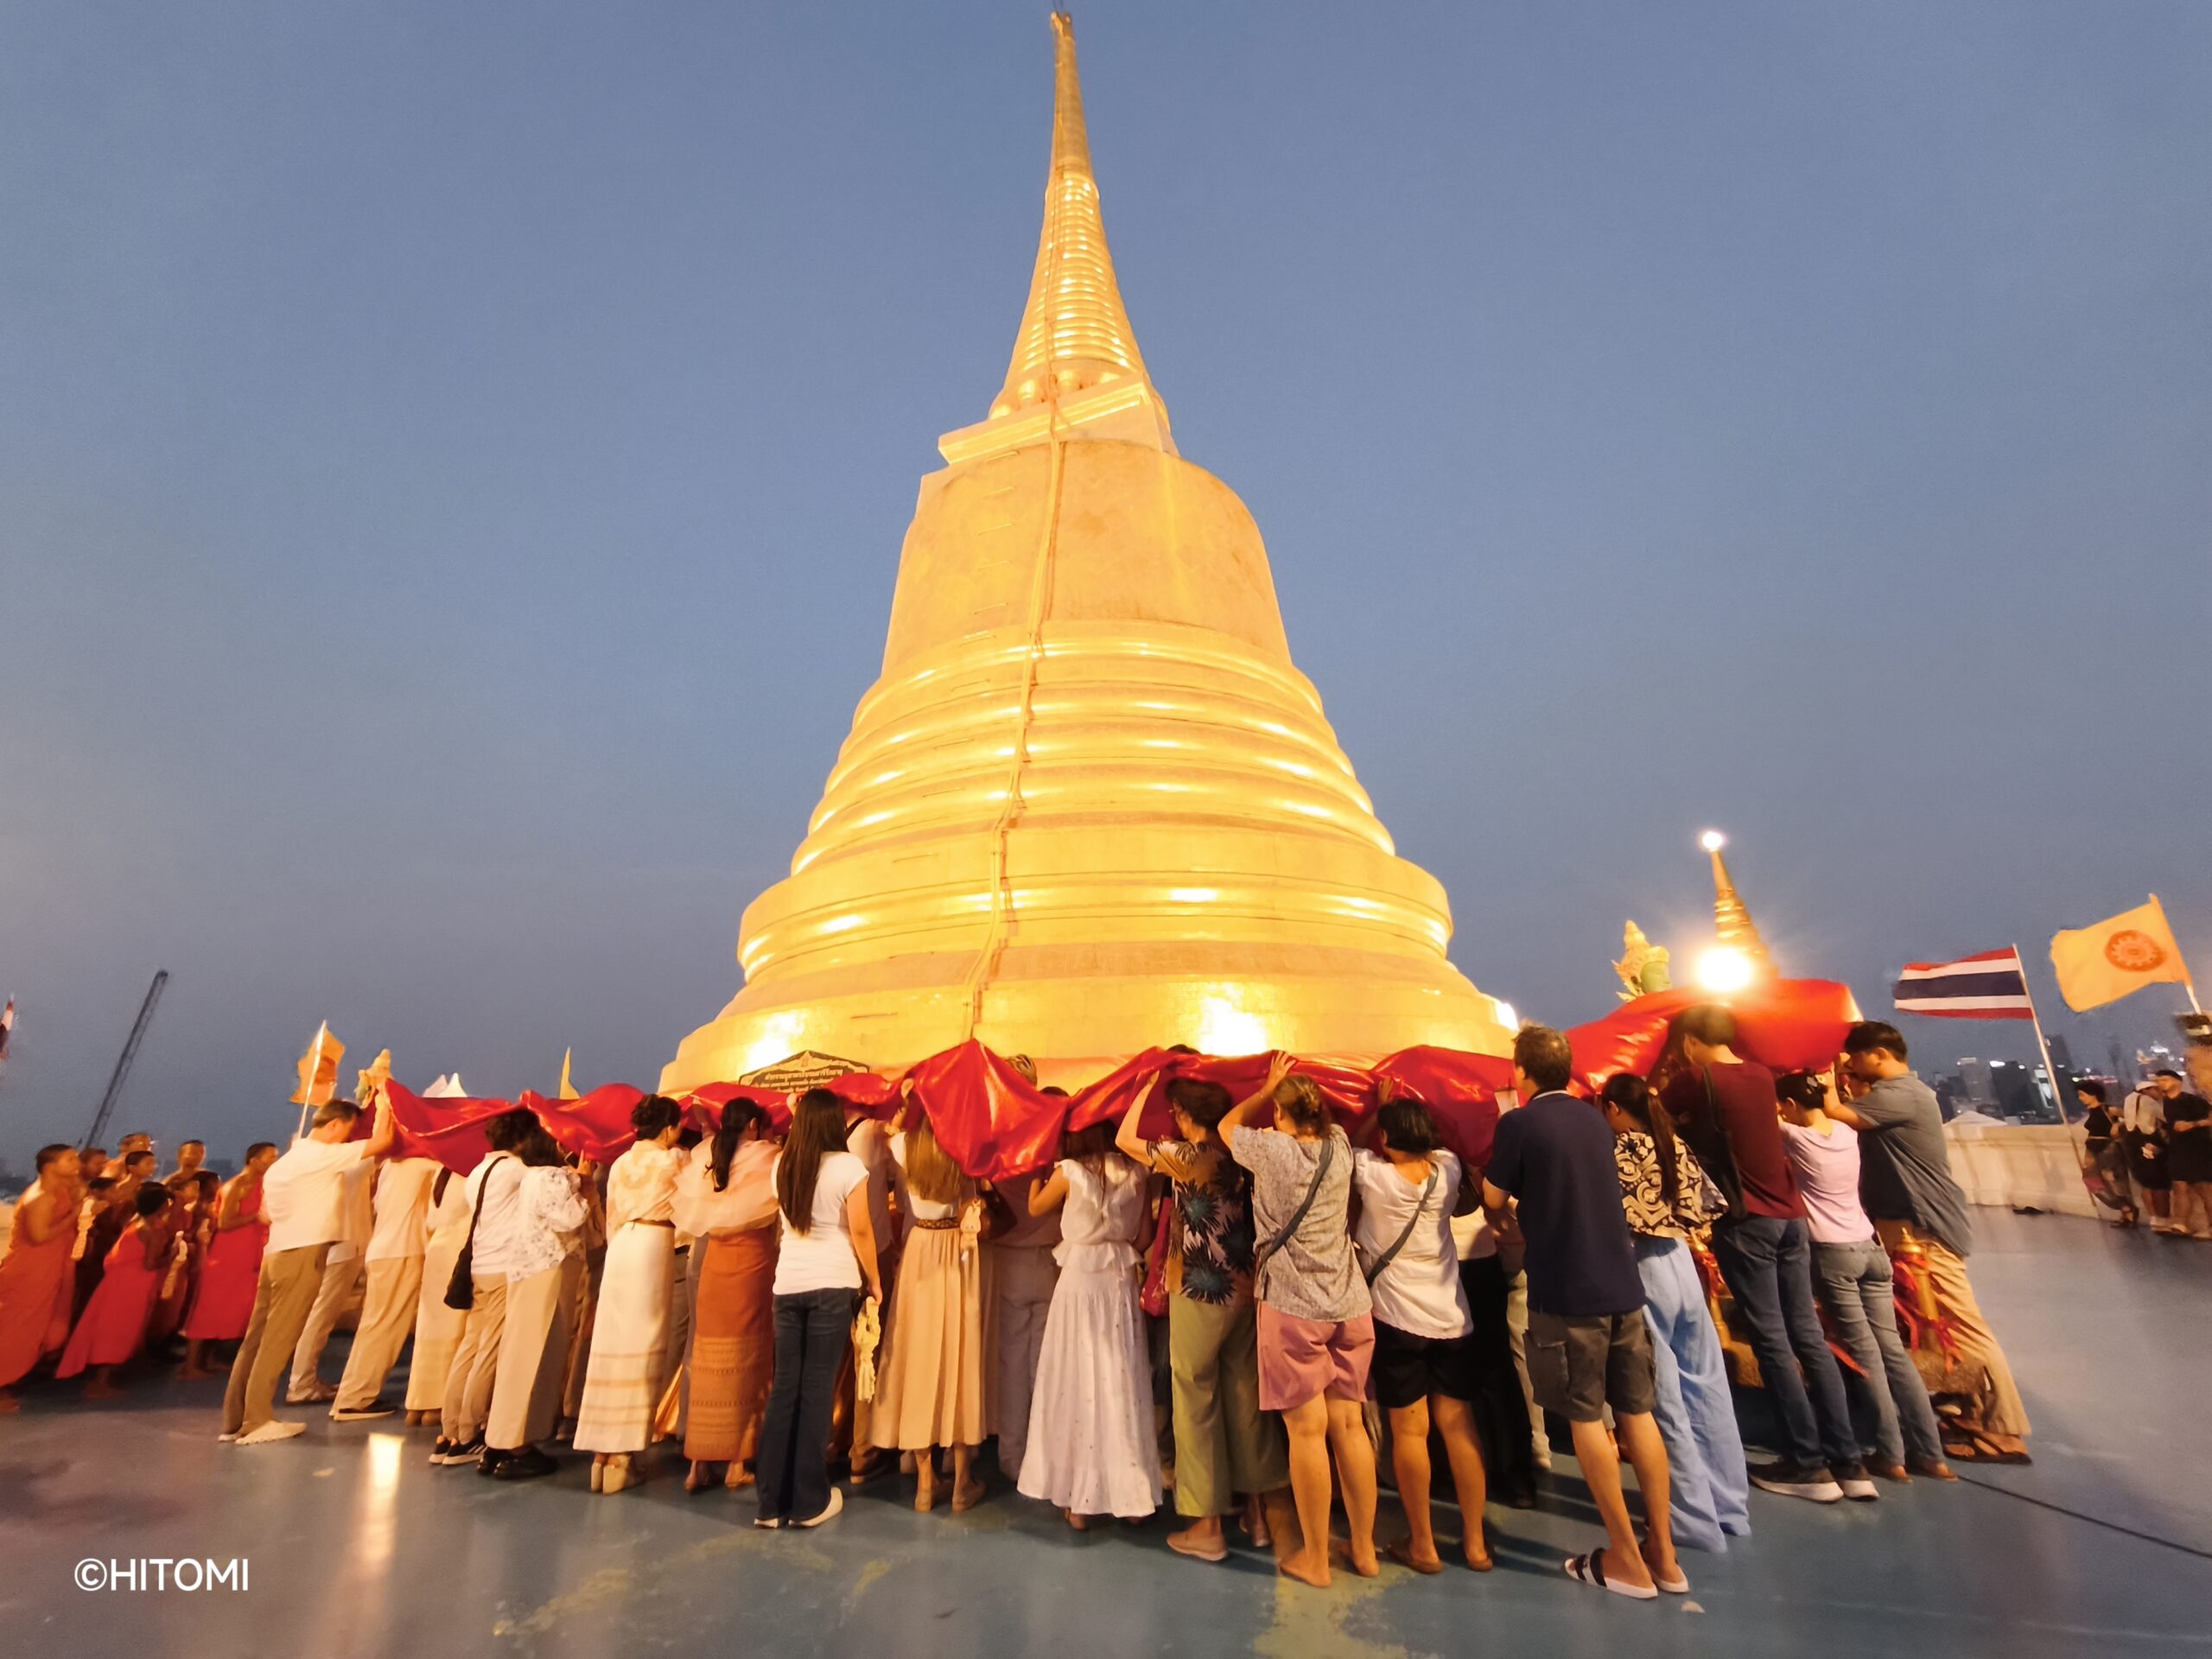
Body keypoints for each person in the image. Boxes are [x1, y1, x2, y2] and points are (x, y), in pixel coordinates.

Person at [1484, 1025, 1683, 1602]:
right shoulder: (1596, 1119)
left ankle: (1625, 1558)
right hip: (1622, 1285)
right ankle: (1663, 1553)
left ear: (1522, 1072)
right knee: (1638, 1415)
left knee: (1586, 1417)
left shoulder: (1520, 1123)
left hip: (1566, 1290)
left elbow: (1493, 1197)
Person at [1662, 1004, 1866, 1502]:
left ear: (1690, 1041)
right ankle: (1849, 1461)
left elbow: (1654, 1117)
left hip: (1747, 1220)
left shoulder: (1696, 1079)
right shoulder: (1760, 1075)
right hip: (1792, 1217)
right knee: (1808, 1336)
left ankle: (1808, 1464)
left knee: (1772, 1340)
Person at [1831, 1021, 2031, 1464]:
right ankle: (1970, 1408)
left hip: (1924, 1226)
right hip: (1905, 1224)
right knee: (1935, 1322)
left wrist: (1821, 1078)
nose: (1852, 1066)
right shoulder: (1898, 1094)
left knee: (1962, 1323)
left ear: (1879, 1055)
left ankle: (2005, 1428)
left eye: (1856, 1058)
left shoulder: (1902, 1092)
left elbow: (1835, 1112)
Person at [1116, 1074, 1285, 1564]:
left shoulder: (1188, 1157)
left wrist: (1145, 1085)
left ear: (1185, 1115)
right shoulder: (1240, 1154)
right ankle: (1258, 1517)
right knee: (1245, 1401)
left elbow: (1126, 1139)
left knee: (1195, 1404)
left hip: (1196, 1290)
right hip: (1243, 1289)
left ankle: (1206, 1526)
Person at [1222, 1058, 1378, 1588]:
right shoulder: (1340, 1146)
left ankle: (1315, 1558)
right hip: (1350, 1303)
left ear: (1281, 1114)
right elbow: (1345, 1127)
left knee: (1307, 1434)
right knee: (1350, 1427)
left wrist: (1264, 1088)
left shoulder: (1271, 1151)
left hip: (1292, 1307)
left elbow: (1226, 1127)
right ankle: (1364, 1549)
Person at [1773, 1070, 1955, 1484]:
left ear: (1791, 1105)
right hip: (1870, 1248)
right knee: (1893, 1350)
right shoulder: (1845, 1133)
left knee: (1866, 1354)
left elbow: (1760, 1123)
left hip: (1833, 1253)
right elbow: (1831, 1108)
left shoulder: (1796, 1137)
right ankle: (1931, 1453)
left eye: (1784, 1106)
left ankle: (1890, 1454)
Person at [1597, 1072, 1748, 1553]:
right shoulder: (1673, 1142)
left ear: (1614, 1108)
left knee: (1665, 1400)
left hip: (1643, 1267)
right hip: (1682, 1262)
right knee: (1708, 1387)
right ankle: (1731, 1507)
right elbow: (1708, 1203)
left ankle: (1692, 1518)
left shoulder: (1618, 1150)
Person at [1353, 1090, 1491, 1573]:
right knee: (1460, 1427)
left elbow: (1353, 1145)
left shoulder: (1373, 1174)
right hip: (1452, 1316)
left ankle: (1424, 1544)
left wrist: (1375, 1111)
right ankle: (1476, 1544)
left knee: (1410, 1431)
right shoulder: (1447, 1170)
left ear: (1387, 1138)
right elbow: (1450, 1144)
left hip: (1397, 1320)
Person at [220, 1090, 397, 1446]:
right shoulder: (320, 1156)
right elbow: (383, 1142)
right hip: (302, 1253)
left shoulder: (284, 1164)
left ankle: (235, 1419)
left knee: (255, 1340)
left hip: (277, 1252)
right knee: (278, 1339)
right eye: (346, 1131)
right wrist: (386, 1103)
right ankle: (257, 1420)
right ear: (333, 1126)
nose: (346, 1139)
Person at [1017, 1120, 1160, 1528]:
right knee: (1122, 1381)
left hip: (1080, 1278)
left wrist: (1036, 1170)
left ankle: (1079, 1502)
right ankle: (1129, 1497)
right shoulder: (1137, 1172)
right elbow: (1144, 1238)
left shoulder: (1069, 1171)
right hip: (1118, 1279)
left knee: (1077, 1379)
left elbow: (1035, 1207)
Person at [758, 1088, 880, 1529]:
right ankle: (809, 1501)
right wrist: (875, 1281)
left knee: (784, 1390)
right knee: (817, 1389)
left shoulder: (782, 1165)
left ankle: (770, 1503)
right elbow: (861, 1230)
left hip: (788, 1284)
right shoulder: (848, 1166)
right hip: (832, 1282)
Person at [872, 1105, 995, 1513]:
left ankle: (925, 1483)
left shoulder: (905, 1146)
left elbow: (887, 1130)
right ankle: (961, 1482)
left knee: (917, 1360)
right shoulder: (964, 1149)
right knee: (960, 1359)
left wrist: (907, 1105)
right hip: (957, 1252)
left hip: (920, 1249)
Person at [575, 1096, 688, 1493]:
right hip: (654, 1245)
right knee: (644, 1344)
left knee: (612, 1345)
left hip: (622, 1245)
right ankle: (624, 1456)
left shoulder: (622, 1162)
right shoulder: (676, 1160)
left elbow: (613, 1216)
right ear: (669, 1128)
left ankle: (601, 1455)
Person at [675, 1099, 780, 1493]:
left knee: (709, 1358)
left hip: (715, 1261)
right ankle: (737, 1461)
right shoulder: (767, 1156)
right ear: (754, 1124)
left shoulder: (709, 1153)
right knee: (747, 1359)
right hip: (751, 1260)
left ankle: (698, 1463)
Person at [432, 1111, 538, 1467]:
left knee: (470, 1347)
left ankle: (448, 1430)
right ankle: (469, 1433)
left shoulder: (478, 1172)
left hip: (479, 1266)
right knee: (490, 1351)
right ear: (522, 1140)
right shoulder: (517, 1171)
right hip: (503, 1267)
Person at [482, 1132, 590, 1479]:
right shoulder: (554, 1177)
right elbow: (570, 1219)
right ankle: (518, 1445)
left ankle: (499, 1440)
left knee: (517, 1356)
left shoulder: (530, 1177)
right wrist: (585, 1186)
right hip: (549, 1268)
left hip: (526, 1269)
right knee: (537, 1357)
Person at [331, 1153, 442, 1421]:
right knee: (386, 1327)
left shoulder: (390, 1166)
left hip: (384, 1250)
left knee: (375, 1326)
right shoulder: (422, 1165)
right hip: (401, 1250)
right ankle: (356, 1399)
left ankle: (352, 1395)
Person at [987, 1138, 1062, 1492]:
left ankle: (1011, 1457)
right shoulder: (1050, 1155)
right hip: (1048, 1260)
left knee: (1011, 1365)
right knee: (1044, 1366)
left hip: (1007, 1261)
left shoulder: (999, 1154)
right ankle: (1043, 1456)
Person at [58, 1182, 176, 1397]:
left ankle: (102, 1377)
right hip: (133, 1285)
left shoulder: (136, 1221)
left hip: (116, 1283)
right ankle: (99, 1384)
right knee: (118, 1329)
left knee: (105, 1326)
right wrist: (172, 1256)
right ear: (160, 1206)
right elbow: (150, 1263)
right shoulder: (153, 1229)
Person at [285, 1133, 376, 1406]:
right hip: (342, 1249)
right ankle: (301, 1384)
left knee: (318, 1318)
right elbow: (382, 1146)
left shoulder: (313, 1161)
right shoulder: (342, 1163)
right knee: (319, 1319)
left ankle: (306, 1378)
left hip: (334, 1248)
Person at [0, 1146, 84, 1410]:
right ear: (50, 1167)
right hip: (30, 1269)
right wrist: (73, 1215)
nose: (76, 1164)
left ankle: (11, 1376)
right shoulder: (41, 1197)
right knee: (15, 1328)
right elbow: (39, 1236)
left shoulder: (59, 1190)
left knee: (37, 1326)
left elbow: (79, 1188)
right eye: (69, 1160)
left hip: (50, 1265)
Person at [183, 1144, 277, 1377]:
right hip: (228, 1255)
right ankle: (190, 1366)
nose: (273, 1162)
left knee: (228, 1309)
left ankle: (208, 1360)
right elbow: (225, 1223)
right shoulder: (236, 1186)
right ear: (254, 1161)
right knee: (209, 1308)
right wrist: (255, 1217)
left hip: (249, 1253)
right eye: (269, 1158)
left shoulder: (264, 1185)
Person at [404, 1164, 473, 1426]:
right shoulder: (467, 1175)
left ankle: (418, 1403)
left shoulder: (440, 1174)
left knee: (429, 1328)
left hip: (437, 1249)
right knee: (454, 1328)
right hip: (458, 1249)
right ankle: (441, 1402)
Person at [2147, 1071, 2212, 1240]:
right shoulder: (2164, 1104)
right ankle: (2181, 1224)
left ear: (2178, 1081)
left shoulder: (2192, 1101)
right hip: (2177, 1150)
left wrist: (2192, 1124)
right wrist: (2157, 1145)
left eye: (2165, 1079)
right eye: (2158, 1080)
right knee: (2179, 1187)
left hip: (2198, 1150)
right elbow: (2165, 1128)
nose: (2161, 1083)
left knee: (2205, 1189)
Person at [2074, 1081, 2137, 1226]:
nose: (2081, 1098)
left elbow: (2131, 1119)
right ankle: (2124, 1207)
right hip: (2093, 1148)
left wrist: (2118, 1125)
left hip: (2108, 1148)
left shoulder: (2108, 1109)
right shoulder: (2091, 1111)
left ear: (2093, 1094)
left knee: (2114, 1180)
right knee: (2092, 1179)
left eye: (2083, 1094)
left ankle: (2127, 1212)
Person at [2120, 1072, 2177, 1232]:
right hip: (2151, 1144)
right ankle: (2163, 1220)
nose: (2160, 1093)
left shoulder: (2129, 1100)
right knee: (2160, 1184)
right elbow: (2163, 1120)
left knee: (2146, 1184)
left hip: (2134, 1146)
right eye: (2157, 1090)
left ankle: (2154, 1219)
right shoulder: (2147, 1101)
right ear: (2146, 1090)